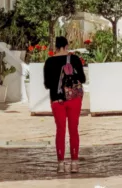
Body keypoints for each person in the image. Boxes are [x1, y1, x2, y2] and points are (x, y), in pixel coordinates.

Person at [43, 35, 86, 175]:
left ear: (56, 47)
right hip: (74, 99)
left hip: (57, 100)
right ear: (66, 46)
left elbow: (47, 84)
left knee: (60, 130)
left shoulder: (49, 62)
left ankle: (61, 164)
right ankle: (74, 164)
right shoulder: (74, 59)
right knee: (73, 130)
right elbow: (83, 79)